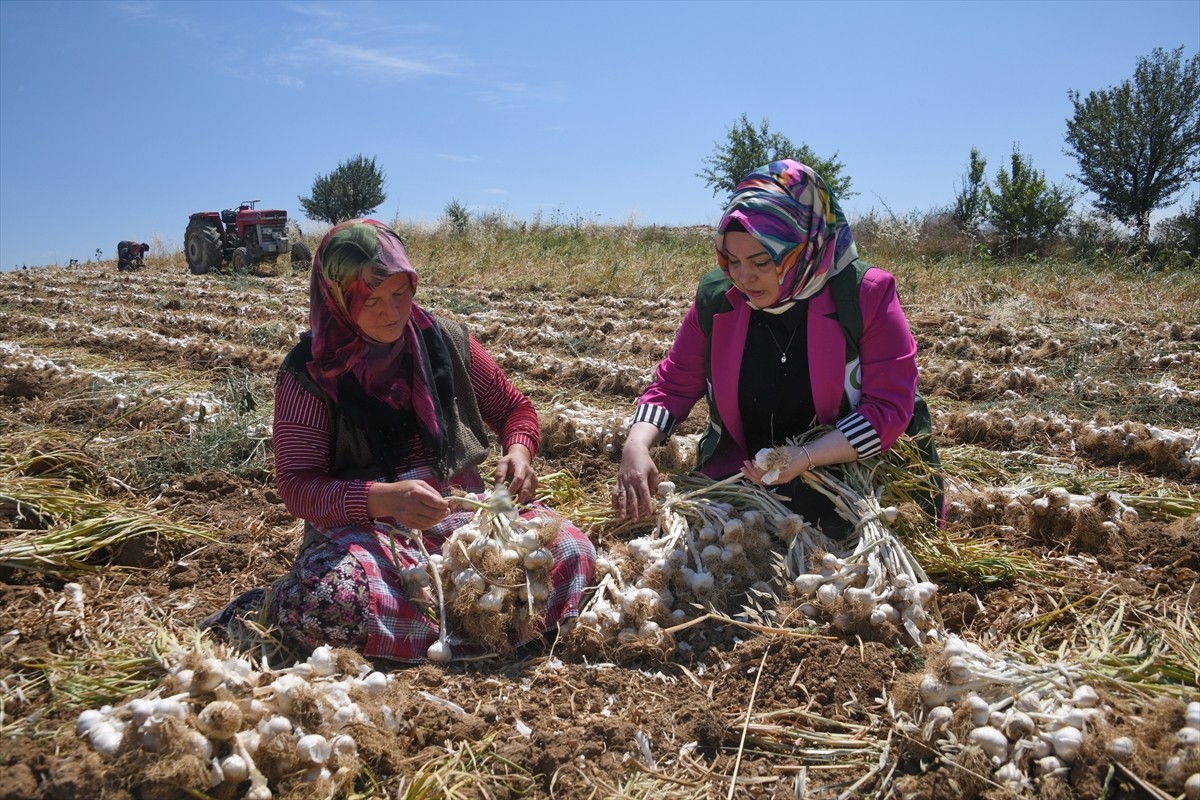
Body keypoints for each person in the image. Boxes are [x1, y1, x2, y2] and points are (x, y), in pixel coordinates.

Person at [202, 219, 595, 662]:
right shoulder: (309, 372)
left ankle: (457, 622)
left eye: (400, 293)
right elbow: (297, 486)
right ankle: (476, 622)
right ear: (337, 298)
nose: (392, 312)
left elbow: (514, 409)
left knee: (573, 549)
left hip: (466, 523)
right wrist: (384, 499)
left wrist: (519, 451)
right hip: (372, 536)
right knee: (327, 603)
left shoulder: (446, 341)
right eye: (370, 300)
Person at [613, 160, 924, 539]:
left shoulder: (865, 295)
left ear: (803, 250)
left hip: (845, 472)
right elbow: (674, 384)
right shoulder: (718, 298)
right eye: (733, 261)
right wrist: (636, 443)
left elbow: (888, 407)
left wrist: (806, 456)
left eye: (762, 261)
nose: (744, 277)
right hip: (745, 470)